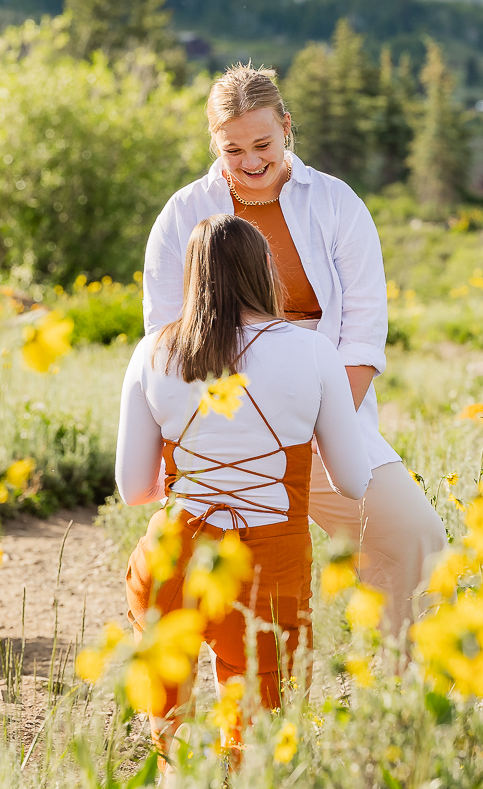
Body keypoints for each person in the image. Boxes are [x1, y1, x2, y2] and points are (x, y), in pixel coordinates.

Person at [143, 62, 447, 635]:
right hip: (219, 431)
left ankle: (406, 701)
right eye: (234, 149)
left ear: (287, 126)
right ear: (215, 142)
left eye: (262, 142)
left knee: (415, 538)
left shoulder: (336, 203)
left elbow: (362, 336)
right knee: (196, 585)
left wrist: (313, 427)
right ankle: (190, 714)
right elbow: (163, 341)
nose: (251, 160)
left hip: (328, 419)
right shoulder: (182, 214)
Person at [117, 214, 370, 754]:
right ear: (265, 271)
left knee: (171, 744)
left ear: (193, 275)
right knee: (258, 750)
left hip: (172, 558)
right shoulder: (314, 351)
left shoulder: (153, 352)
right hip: (268, 567)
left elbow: (133, 489)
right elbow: (351, 481)